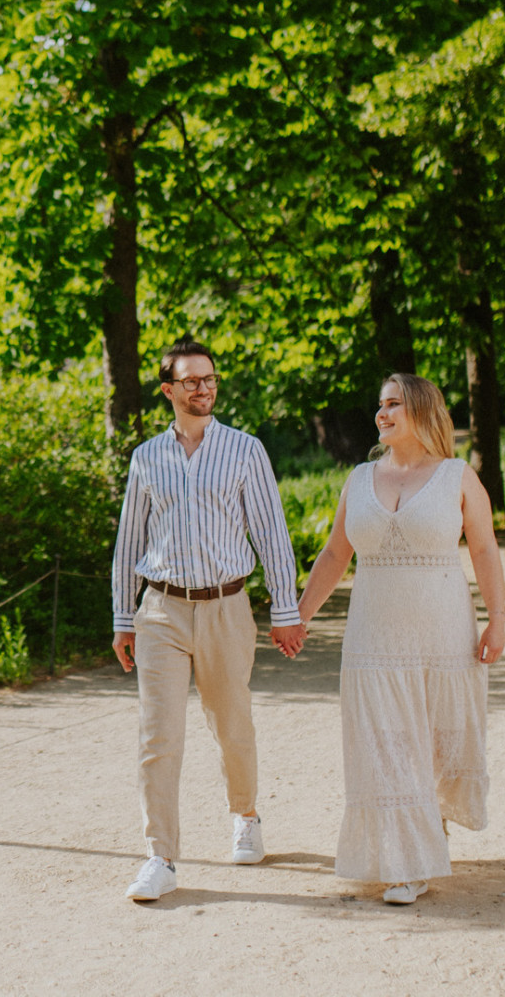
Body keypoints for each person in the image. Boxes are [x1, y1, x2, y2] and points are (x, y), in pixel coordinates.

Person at [283, 373, 505, 906]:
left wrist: (496, 619)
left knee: (433, 740)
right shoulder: (359, 478)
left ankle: (426, 834)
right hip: (373, 636)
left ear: (422, 411)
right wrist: (299, 616)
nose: (381, 414)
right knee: (384, 741)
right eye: (379, 405)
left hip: (443, 632)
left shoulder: (457, 476)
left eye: (393, 404)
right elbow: (336, 555)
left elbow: (484, 549)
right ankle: (407, 862)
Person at [111, 340, 306, 902]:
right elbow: (129, 545)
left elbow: (272, 532)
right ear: (169, 390)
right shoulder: (147, 457)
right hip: (161, 612)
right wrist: (125, 618)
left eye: (210, 379)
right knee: (158, 736)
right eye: (191, 381)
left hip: (226, 606)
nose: (204, 388)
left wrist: (286, 611)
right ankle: (161, 857)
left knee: (231, 725)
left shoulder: (245, 450)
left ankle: (245, 815)